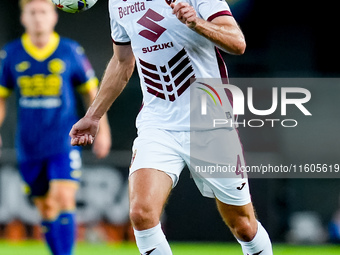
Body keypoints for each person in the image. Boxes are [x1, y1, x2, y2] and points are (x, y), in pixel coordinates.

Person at [70, 0, 273, 254]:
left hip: (209, 123)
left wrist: (197, 23)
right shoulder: (117, 3)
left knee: (243, 224)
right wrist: (93, 116)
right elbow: (122, 62)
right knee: (141, 213)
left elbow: (237, 43)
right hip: (158, 124)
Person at [0, 0, 111, 254]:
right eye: (33, 13)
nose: (38, 18)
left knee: (63, 198)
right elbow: (1, 98)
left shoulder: (70, 51)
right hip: (28, 144)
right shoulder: (11, 54)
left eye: (43, 12)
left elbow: (92, 94)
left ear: (54, 17)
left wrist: (102, 130)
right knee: (46, 208)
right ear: (23, 18)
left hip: (63, 140)